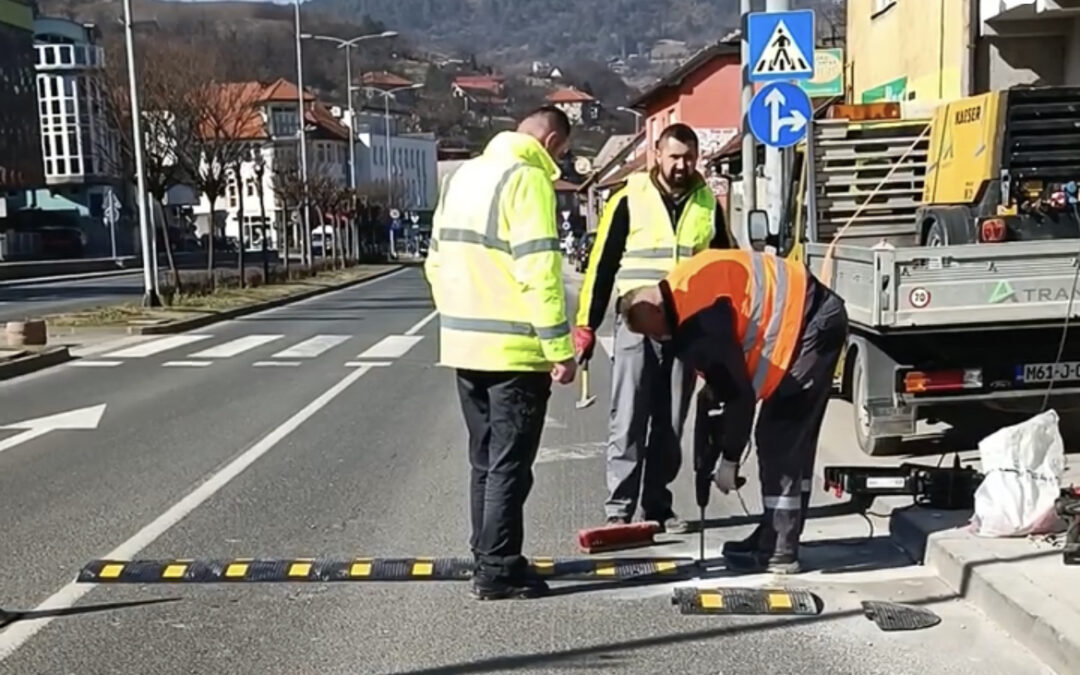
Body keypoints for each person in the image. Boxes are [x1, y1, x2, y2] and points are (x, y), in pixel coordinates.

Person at [423, 106, 577, 601]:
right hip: (514, 350)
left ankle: (490, 553)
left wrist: (456, 315)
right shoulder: (528, 179)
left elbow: (436, 260)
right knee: (510, 464)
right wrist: (560, 348)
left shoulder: (463, 177)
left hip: (465, 344)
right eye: (563, 153)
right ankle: (496, 570)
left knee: (485, 460)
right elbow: (539, 273)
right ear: (551, 141)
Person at [615, 248, 849, 574]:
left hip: (812, 322)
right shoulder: (682, 288)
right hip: (810, 315)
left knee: (778, 436)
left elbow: (739, 397)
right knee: (791, 438)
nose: (657, 340)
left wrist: (728, 458)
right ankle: (777, 533)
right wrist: (709, 449)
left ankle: (780, 549)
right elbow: (720, 389)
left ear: (654, 310)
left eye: (652, 333)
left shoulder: (699, 320)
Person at [573, 123, 735, 533]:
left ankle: (657, 506)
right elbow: (603, 265)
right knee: (628, 416)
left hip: (686, 327)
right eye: (674, 156)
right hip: (638, 321)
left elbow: (726, 271)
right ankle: (619, 508)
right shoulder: (629, 199)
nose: (681, 165)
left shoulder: (707, 204)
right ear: (657, 156)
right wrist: (586, 325)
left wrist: (725, 332)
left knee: (670, 422)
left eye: (688, 157)